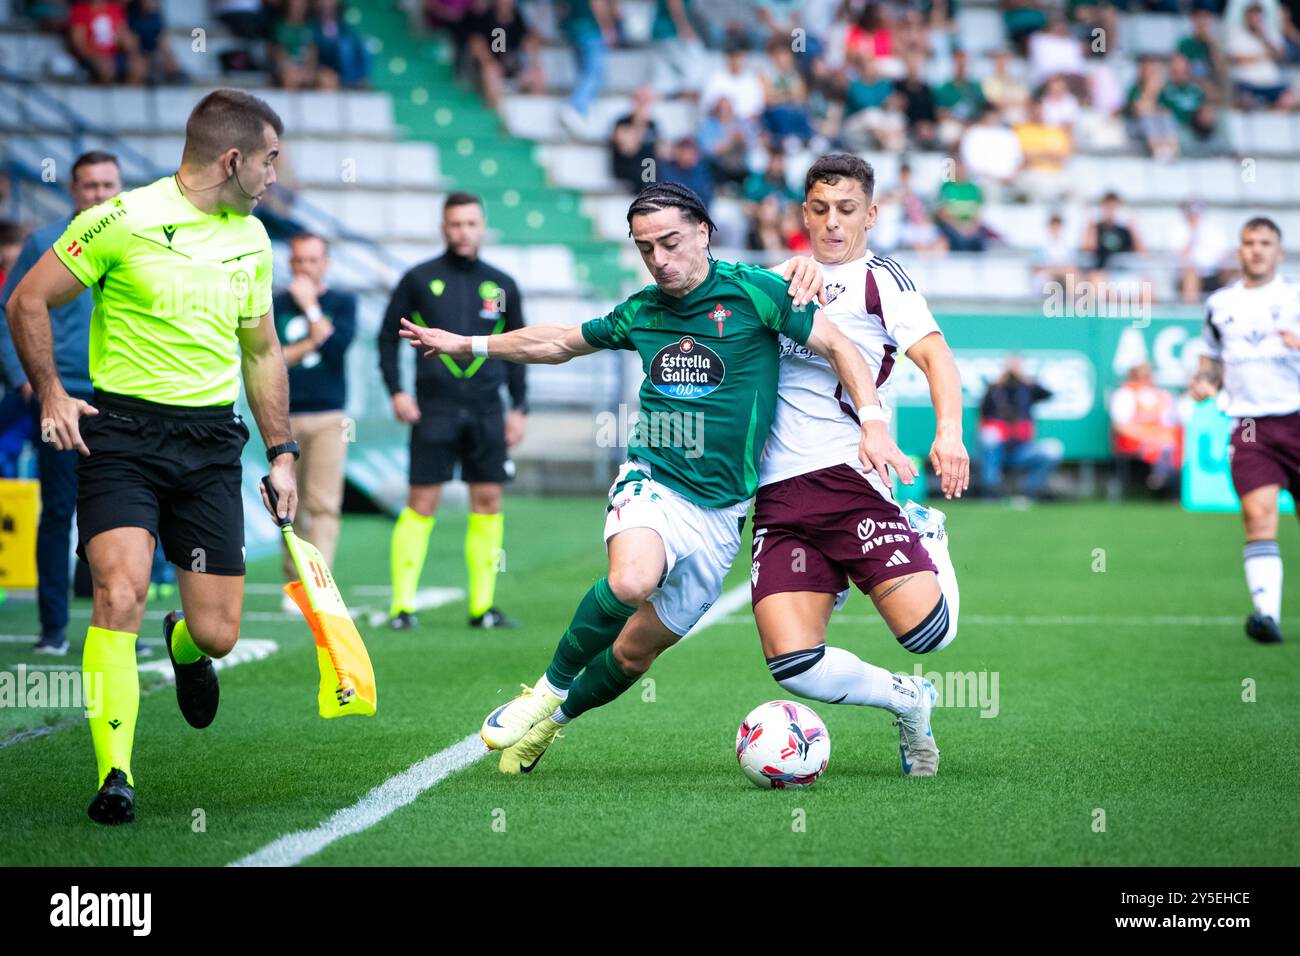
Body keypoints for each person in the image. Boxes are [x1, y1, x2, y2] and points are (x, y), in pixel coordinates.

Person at [401, 182, 913, 775]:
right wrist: (468, 343)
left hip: (722, 515)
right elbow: (560, 342)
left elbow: (840, 346)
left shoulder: (756, 293)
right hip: (654, 481)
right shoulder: (642, 311)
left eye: (669, 242)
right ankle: (544, 692)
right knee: (630, 581)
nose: (659, 259)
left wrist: (872, 423)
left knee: (633, 653)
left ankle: (550, 725)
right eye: (646, 249)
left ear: (703, 232)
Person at [5, 89, 298, 825]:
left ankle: (184, 643)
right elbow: (26, 301)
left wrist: (283, 452)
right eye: (269, 160)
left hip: (207, 445)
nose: (274, 175)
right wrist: (50, 393)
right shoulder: (118, 218)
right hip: (122, 438)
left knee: (218, 633)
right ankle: (116, 776)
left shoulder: (253, 239)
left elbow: (261, 351)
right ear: (232, 159)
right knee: (118, 593)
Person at [750, 153, 967, 778]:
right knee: (794, 664)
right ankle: (909, 700)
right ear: (804, 214)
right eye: (820, 210)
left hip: (854, 484)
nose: (832, 224)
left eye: (846, 211)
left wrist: (948, 434)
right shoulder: (775, 281)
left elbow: (938, 360)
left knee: (929, 637)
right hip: (781, 498)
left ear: (871, 215)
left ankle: (926, 532)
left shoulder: (882, 280)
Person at [378, 193, 527, 631]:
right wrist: (396, 391)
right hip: (434, 410)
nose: (463, 231)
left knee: (488, 500)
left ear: (482, 227)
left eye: (470, 224)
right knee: (422, 501)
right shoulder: (419, 279)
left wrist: (519, 407)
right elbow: (387, 337)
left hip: (487, 411)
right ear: (444, 228)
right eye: (455, 224)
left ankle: (482, 608)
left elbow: (520, 346)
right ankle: (402, 607)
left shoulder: (502, 285)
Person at [0, 151, 124, 657]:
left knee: (125, 516)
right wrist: (27, 381)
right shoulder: (43, 242)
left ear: (120, 188)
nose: (98, 194)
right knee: (58, 511)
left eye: (107, 185)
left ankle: (120, 627)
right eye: (89, 186)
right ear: (73, 191)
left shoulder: (142, 241)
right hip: (60, 397)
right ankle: (53, 629)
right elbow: (10, 310)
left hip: (124, 397)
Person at [1191, 217, 1300, 644]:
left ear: (1279, 250)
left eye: (1265, 243)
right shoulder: (1220, 304)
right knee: (1258, 516)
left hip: (1296, 415)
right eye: (1249, 242)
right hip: (1251, 426)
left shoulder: (1295, 296)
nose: (1256, 249)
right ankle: (1266, 615)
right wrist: (1204, 382)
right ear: (1239, 250)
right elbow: (1210, 360)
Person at [273, 233, 356, 608]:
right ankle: (294, 583)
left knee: (323, 504)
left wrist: (310, 308)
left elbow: (338, 347)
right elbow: (272, 360)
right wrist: (312, 339)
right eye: (298, 261)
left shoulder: (342, 301)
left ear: (325, 263)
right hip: (282, 416)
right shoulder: (273, 303)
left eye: (312, 260)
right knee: (287, 503)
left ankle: (319, 586)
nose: (305, 268)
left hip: (327, 415)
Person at [978, 355, 1062, 499]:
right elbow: (982, 415)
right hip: (999, 448)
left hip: (1021, 449)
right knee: (988, 436)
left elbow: (1049, 394)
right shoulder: (995, 390)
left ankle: (1027, 491)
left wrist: (1026, 380)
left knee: (1053, 449)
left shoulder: (1028, 389)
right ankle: (991, 490)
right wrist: (1000, 382)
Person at [1109, 361, 1181, 494]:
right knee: (1162, 445)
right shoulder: (1125, 394)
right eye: (1141, 375)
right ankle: (1161, 481)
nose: (1146, 378)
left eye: (1148, 375)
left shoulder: (1160, 395)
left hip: (1159, 440)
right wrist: (1147, 437)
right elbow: (1120, 426)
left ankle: (1166, 481)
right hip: (1134, 441)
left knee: (1173, 442)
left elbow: (1169, 422)